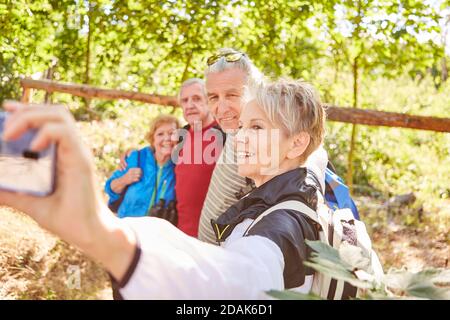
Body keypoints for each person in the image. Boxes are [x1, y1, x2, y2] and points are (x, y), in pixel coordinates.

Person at [0, 78, 325, 299]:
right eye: (240, 128)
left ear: (297, 143)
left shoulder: (283, 224)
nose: (238, 137)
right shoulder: (281, 198)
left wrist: (100, 232)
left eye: (256, 128)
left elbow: (241, 284)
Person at [198, 48, 328, 244]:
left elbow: (309, 166)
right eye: (214, 97)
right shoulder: (232, 132)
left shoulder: (285, 143)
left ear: (256, 91)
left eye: (232, 95)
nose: (221, 108)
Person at [119, 78, 224, 236]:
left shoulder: (223, 135)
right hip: (179, 233)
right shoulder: (180, 136)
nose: (189, 105)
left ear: (209, 100)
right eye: (184, 100)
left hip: (213, 234)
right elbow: (157, 151)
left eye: (196, 98)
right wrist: (131, 152)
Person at [104, 115, 180, 218]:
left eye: (171, 133)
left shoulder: (180, 166)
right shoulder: (136, 157)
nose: (167, 138)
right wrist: (125, 179)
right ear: (152, 139)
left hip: (158, 231)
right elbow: (110, 188)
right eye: (160, 134)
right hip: (127, 228)